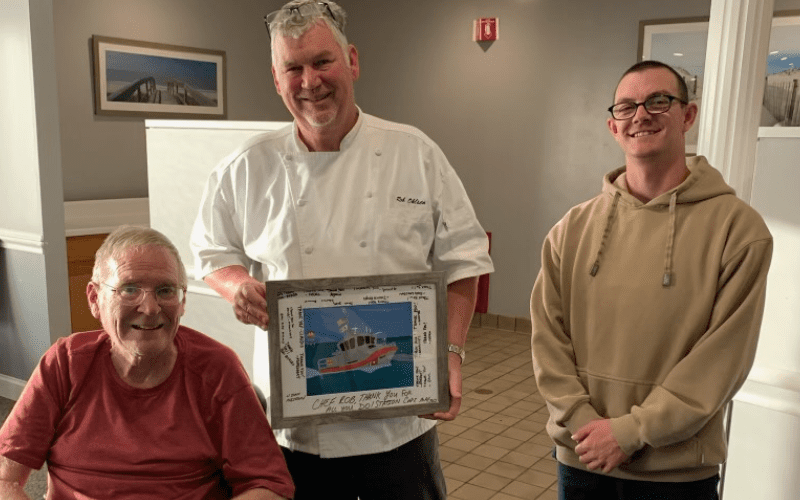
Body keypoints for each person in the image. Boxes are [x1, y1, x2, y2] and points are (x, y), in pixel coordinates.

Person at [190, 1, 493, 498]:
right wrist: (237, 284)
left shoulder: (414, 152)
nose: (309, 81)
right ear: (276, 78)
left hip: (400, 426)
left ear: (352, 60)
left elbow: (465, 258)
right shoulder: (247, 166)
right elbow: (209, 251)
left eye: (321, 61)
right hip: (294, 431)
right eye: (293, 68)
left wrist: (452, 355)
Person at [531, 60, 773, 499]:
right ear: (613, 126)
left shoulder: (739, 232)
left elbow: (722, 359)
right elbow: (548, 341)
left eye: (659, 101)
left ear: (688, 115)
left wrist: (632, 431)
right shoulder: (571, 230)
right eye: (627, 107)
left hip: (677, 473)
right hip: (583, 460)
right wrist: (586, 425)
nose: (641, 115)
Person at [0, 226, 294, 500]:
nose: (151, 308)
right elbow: (5, 478)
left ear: (182, 302)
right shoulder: (65, 364)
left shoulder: (217, 368)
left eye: (166, 290)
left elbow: (267, 484)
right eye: (129, 289)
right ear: (94, 298)